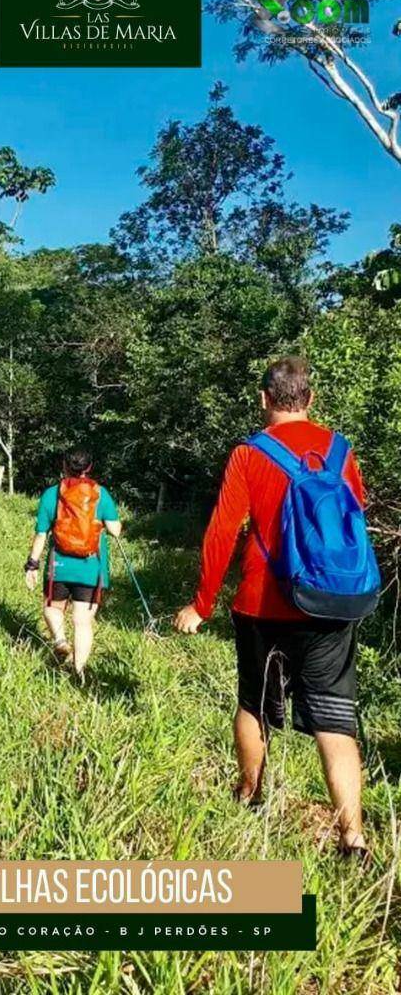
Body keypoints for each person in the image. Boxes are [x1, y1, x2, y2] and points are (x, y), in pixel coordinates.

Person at [174, 357, 372, 857]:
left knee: (254, 706)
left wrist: (202, 604)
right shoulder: (340, 450)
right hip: (331, 603)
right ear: (311, 398)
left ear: (264, 398)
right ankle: (353, 835)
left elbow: (222, 532)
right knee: (335, 722)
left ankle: (249, 794)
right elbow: (353, 516)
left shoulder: (249, 453)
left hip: (262, 603)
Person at [25, 449, 121, 683]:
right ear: (90, 468)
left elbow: (41, 534)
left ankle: (60, 642)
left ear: (64, 467)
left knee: (52, 609)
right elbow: (115, 530)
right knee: (82, 621)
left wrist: (32, 565)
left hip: (59, 565)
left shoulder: (52, 494)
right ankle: (78, 674)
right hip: (91, 567)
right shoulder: (100, 494)